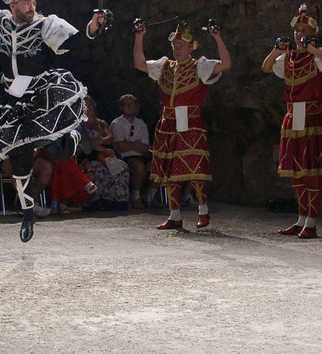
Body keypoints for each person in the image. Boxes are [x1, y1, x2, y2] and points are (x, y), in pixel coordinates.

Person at [0, 0, 104, 241]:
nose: (31, 7)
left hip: (39, 91)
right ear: (12, 6)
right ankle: (28, 212)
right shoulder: (0, 21)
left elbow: (72, 43)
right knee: (18, 154)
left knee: (57, 151)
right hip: (10, 94)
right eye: (25, 4)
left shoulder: (45, 25)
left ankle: (76, 132)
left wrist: (92, 28)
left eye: (33, 2)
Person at [134, 18, 232, 229]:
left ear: (191, 47)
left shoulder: (200, 67)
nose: (176, 49)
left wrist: (217, 37)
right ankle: (175, 214)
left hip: (191, 121)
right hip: (168, 121)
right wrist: (139, 36)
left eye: (181, 46)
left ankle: (203, 210)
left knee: (194, 167)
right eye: (174, 45)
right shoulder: (165, 66)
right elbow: (139, 64)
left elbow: (226, 64)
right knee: (170, 169)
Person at [260, 4, 322, 238]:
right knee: (296, 171)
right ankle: (301, 217)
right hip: (293, 116)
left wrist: (312, 49)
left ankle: (311, 221)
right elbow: (265, 67)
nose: (299, 33)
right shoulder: (289, 58)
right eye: (297, 30)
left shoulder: (320, 52)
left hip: (312, 116)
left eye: (304, 30)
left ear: (313, 33)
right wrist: (277, 50)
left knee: (311, 169)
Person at [81, 96, 129, 210]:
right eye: (86, 106)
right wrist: (98, 146)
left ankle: (119, 201)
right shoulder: (79, 125)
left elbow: (110, 137)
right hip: (88, 154)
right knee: (96, 167)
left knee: (122, 167)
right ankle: (97, 201)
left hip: (104, 153)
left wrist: (100, 142)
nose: (89, 108)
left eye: (91, 105)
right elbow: (84, 144)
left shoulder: (101, 123)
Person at [109, 93, 153, 208]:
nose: (129, 107)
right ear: (121, 107)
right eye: (125, 104)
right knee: (138, 166)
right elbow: (121, 147)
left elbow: (144, 147)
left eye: (131, 104)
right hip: (124, 156)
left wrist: (130, 144)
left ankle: (151, 197)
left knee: (158, 165)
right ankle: (136, 197)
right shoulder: (117, 123)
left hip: (141, 155)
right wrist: (136, 144)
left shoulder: (141, 124)